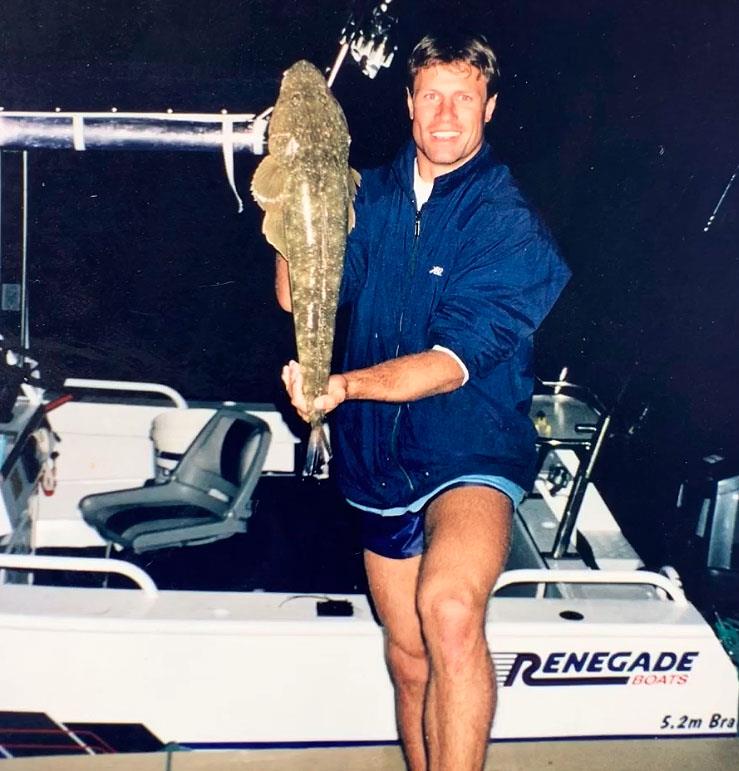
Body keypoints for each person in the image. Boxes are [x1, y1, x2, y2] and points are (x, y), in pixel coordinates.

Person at [277, 31, 570, 771]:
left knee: (447, 610)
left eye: (462, 98)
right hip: (374, 454)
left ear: (488, 107)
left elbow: (447, 364)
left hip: (467, 446)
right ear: (408, 103)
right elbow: (294, 294)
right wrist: (290, 202)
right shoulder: (364, 193)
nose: (445, 114)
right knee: (407, 655)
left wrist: (341, 386)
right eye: (430, 95)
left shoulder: (508, 224)